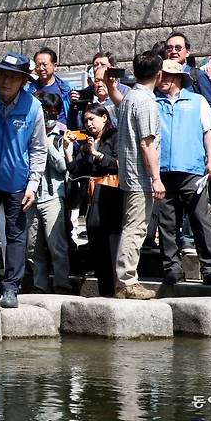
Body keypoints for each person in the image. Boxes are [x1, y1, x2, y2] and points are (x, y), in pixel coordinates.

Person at [0, 52, 46, 308]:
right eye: (2, 74)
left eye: (13, 77)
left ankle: (11, 288)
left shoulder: (33, 107)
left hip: (18, 181)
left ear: (23, 81)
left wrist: (33, 184)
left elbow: (38, 148)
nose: (5, 81)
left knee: (16, 235)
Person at [154, 59, 211, 286]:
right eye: (160, 75)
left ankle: (210, 269)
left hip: (192, 170)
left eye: (167, 76)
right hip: (163, 172)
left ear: (178, 79)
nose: (162, 79)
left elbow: (208, 132)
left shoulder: (197, 100)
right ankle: (172, 268)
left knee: (202, 221)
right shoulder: (153, 102)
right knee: (167, 224)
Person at [114, 51, 164, 300]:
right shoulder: (144, 101)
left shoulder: (129, 97)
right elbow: (147, 143)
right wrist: (156, 178)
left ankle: (125, 281)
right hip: (140, 176)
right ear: (159, 74)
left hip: (129, 174)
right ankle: (127, 281)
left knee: (132, 226)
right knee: (135, 228)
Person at [68, 103, 122, 297]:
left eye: (92, 119)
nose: (88, 124)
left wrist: (97, 154)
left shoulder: (115, 137)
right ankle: (105, 289)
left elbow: (118, 164)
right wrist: (69, 150)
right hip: (92, 197)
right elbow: (74, 170)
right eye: (85, 120)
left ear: (104, 117)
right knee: (95, 238)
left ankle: (117, 287)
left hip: (112, 191)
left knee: (112, 240)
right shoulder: (87, 142)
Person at [25, 93, 70, 296]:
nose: (51, 115)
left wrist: (47, 142)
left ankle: (61, 284)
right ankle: (39, 285)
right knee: (33, 246)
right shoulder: (27, 131)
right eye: (47, 111)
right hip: (31, 195)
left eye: (54, 112)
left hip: (53, 196)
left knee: (57, 245)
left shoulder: (61, 135)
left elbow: (62, 167)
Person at [164, 32, 211, 108]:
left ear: (187, 52)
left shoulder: (198, 75)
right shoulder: (160, 75)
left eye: (178, 48)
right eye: (169, 48)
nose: (173, 51)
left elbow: (210, 103)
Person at [28, 47, 72, 124]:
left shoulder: (67, 88)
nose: (41, 68)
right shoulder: (28, 90)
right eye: (37, 65)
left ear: (54, 66)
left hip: (62, 132)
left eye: (44, 65)